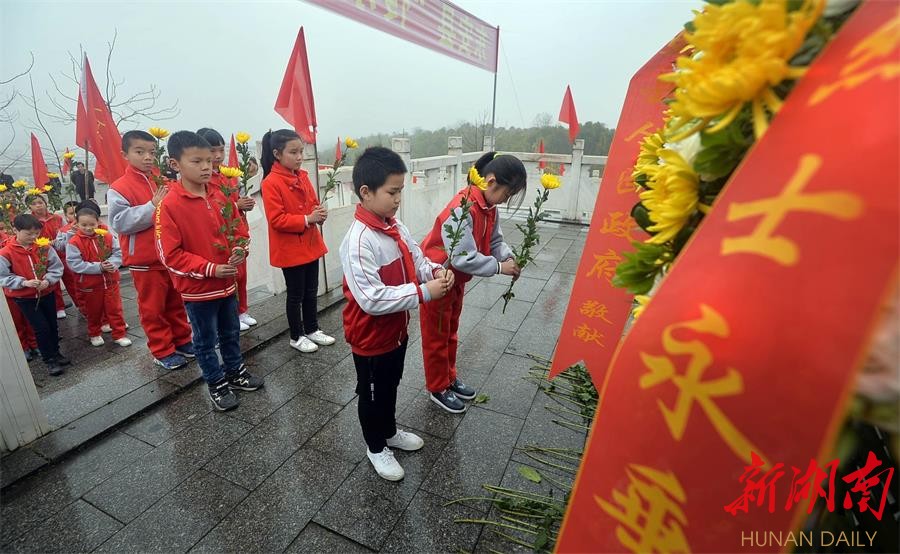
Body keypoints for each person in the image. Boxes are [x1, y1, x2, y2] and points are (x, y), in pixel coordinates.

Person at [341, 146, 452, 480]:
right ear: (366, 192)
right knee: (371, 392)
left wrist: (433, 272)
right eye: (392, 192)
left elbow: (416, 259)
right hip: (370, 337)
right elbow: (370, 299)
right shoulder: (359, 241)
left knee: (391, 384)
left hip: (396, 332)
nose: (398, 198)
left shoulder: (395, 226)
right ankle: (375, 447)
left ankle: (389, 432)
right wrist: (422, 293)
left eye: (400, 190)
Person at [156, 130, 263, 411]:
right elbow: (171, 255)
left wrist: (241, 249)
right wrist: (210, 269)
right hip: (199, 289)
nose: (206, 166)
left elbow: (239, 230)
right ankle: (216, 383)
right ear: (175, 164)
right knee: (205, 341)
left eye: (208, 160)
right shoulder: (169, 205)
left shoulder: (220, 195)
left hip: (228, 284)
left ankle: (235, 372)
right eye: (196, 161)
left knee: (230, 333)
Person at [419, 152, 525, 413]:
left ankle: (450, 378)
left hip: (457, 281)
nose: (506, 200)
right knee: (437, 335)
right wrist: (500, 267)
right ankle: (437, 387)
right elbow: (462, 257)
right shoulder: (461, 208)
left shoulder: (488, 207)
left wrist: (507, 256)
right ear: (491, 182)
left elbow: (495, 242)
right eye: (507, 194)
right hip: (439, 278)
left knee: (451, 331)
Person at [108, 130, 194, 370]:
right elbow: (120, 222)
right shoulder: (119, 187)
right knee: (153, 309)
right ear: (125, 154)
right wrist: (151, 206)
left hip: (170, 256)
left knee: (176, 303)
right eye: (140, 152)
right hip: (144, 261)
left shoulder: (163, 181)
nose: (147, 157)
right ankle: (162, 350)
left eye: (152, 152)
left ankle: (183, 340)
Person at [260, 129, 335, 353]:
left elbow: (312, 202)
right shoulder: (271, 182)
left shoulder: (301, 176)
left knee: (311, 290)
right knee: (296, 294)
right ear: (277, 153)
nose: (299, 157)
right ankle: (296, 335)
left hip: (309, 243)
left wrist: (319, 213)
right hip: (290, 248)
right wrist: (307, 219)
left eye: (301, 151)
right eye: (293, 152)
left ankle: (312, 328)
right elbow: (276, 219)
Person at [197, 127, 258, 331]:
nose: (217, 156)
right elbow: (214, 207)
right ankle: (233, 314)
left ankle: (242, 310)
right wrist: (236, 206)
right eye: (212, 151)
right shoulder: (203, 180)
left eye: (221, 151)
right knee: (230, 274)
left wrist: (242, 204)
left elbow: (231, 201)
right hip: (219, 236)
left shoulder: (227, 175)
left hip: (236, 232)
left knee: (241, 274)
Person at [0, 214, 71, 375]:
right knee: (41, 328)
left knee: (53, 325)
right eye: (28, 233)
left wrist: (48, 280)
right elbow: (3, 276)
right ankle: (49, 360)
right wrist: (23, 282)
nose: (33, 237)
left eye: (36, 234)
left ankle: (56, 353)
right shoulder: (6, 252)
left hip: (46, 292)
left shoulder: (44, 247)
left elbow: (56, 267)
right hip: (25, 297)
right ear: (15, 230)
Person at [66, 208, 131, 347]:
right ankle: (94, 333)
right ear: (76, 224)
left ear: (98, 222)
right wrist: (98, 267)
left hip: (111, 281)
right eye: (84, 225)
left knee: (115, 310)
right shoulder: (74, 242)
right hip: (90, 285)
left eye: (92, 224)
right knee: (93, 311)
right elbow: (74, 264)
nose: (88, 228)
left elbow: (118, 252)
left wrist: (112, 264)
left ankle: (119, 334)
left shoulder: (106, 236)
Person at [0, 222, 38, 361]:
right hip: (9, 290)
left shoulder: (12, 242)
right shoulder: (6, 249)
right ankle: (24, 346)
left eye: (3, 228)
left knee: (30, 318)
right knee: (16, 321)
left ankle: (34, 343)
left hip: (26, 287)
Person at [28, 194, 68, 319]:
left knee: (71, 280)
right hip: (43, 255)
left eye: (40, 202)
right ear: (29, 207)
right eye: (34, 204)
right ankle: (59, 307)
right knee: (52, 282)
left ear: (46, 203)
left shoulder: (56, 218)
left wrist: (56, 242)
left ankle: (81, 304)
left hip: (61, 253)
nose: (38, 206)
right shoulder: (30, 221)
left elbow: (65, 232)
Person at [54, 200, 84, 315]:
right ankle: (81, 307)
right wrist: (70, 234)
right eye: (71, 213)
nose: (75, 216)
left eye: (78, 212)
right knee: (74, 287)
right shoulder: (63, 230)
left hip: (88, 263)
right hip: (70, 265)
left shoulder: (89, 226)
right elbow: (60, 246)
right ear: (66, 216)